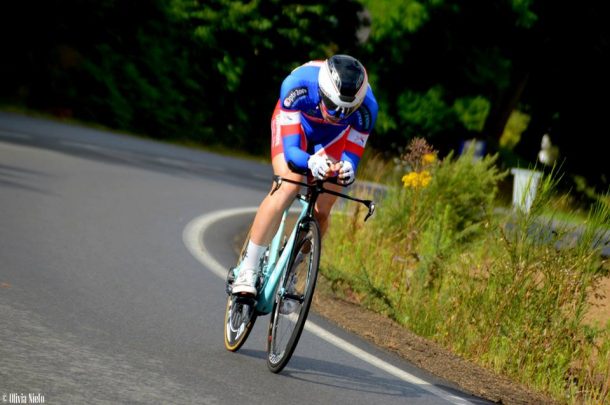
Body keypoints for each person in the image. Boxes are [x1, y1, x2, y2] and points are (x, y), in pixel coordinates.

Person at [232, 54, 378, 296]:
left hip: (332, 139)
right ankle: (247, 269)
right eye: (332, 105)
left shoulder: (367, 109)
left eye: (347, 110)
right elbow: (291, 153)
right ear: (321, 91)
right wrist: (310, 161)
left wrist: (347, 169)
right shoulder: (297, 86)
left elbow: (351, 158)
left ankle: (293, 269)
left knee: (323, 209)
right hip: (296, 126)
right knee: (289, 186)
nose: (338, 115)